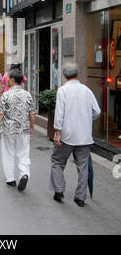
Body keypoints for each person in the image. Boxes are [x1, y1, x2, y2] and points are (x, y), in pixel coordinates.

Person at [51, 63, 101, 208]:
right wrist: (86, 120)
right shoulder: (86, 90)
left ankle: (59, 190)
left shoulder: (62, 90)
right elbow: (97, 111)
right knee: (83, 167)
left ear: (64, 75)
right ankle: (80, 197)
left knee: (57, 162)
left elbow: (59, 114)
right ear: (77, 74)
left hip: (67, 134)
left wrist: (57, 132)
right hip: (84, 136)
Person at [0, 68, 36, 192]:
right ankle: (24, 173)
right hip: (24, 130)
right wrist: (32, 127)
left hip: (8, 130)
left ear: (12, 80)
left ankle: (10, 179)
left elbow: (0, 113)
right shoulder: (27, 94)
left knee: (8, 153)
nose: (6, 80)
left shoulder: (6, 95)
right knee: (23, 153)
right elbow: (32, 113)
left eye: (8, 79)